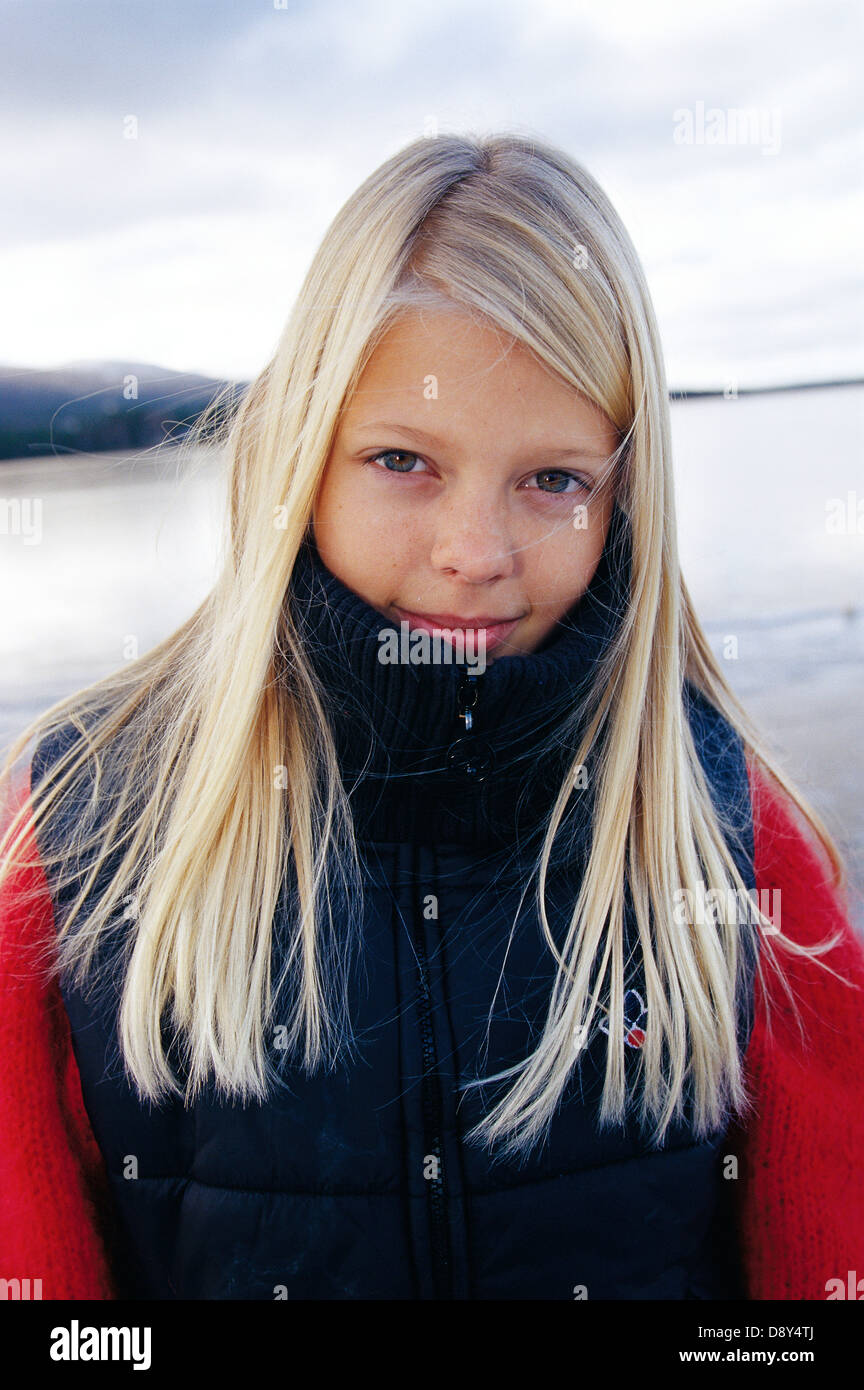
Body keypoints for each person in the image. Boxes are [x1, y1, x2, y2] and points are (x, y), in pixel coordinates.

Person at [1, 131, 862, 1302]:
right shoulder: (78, 830)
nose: (476, 556)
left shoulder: (726, 830)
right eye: (404, 459)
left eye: (554, 479)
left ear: (626, 504)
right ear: (301, 455)